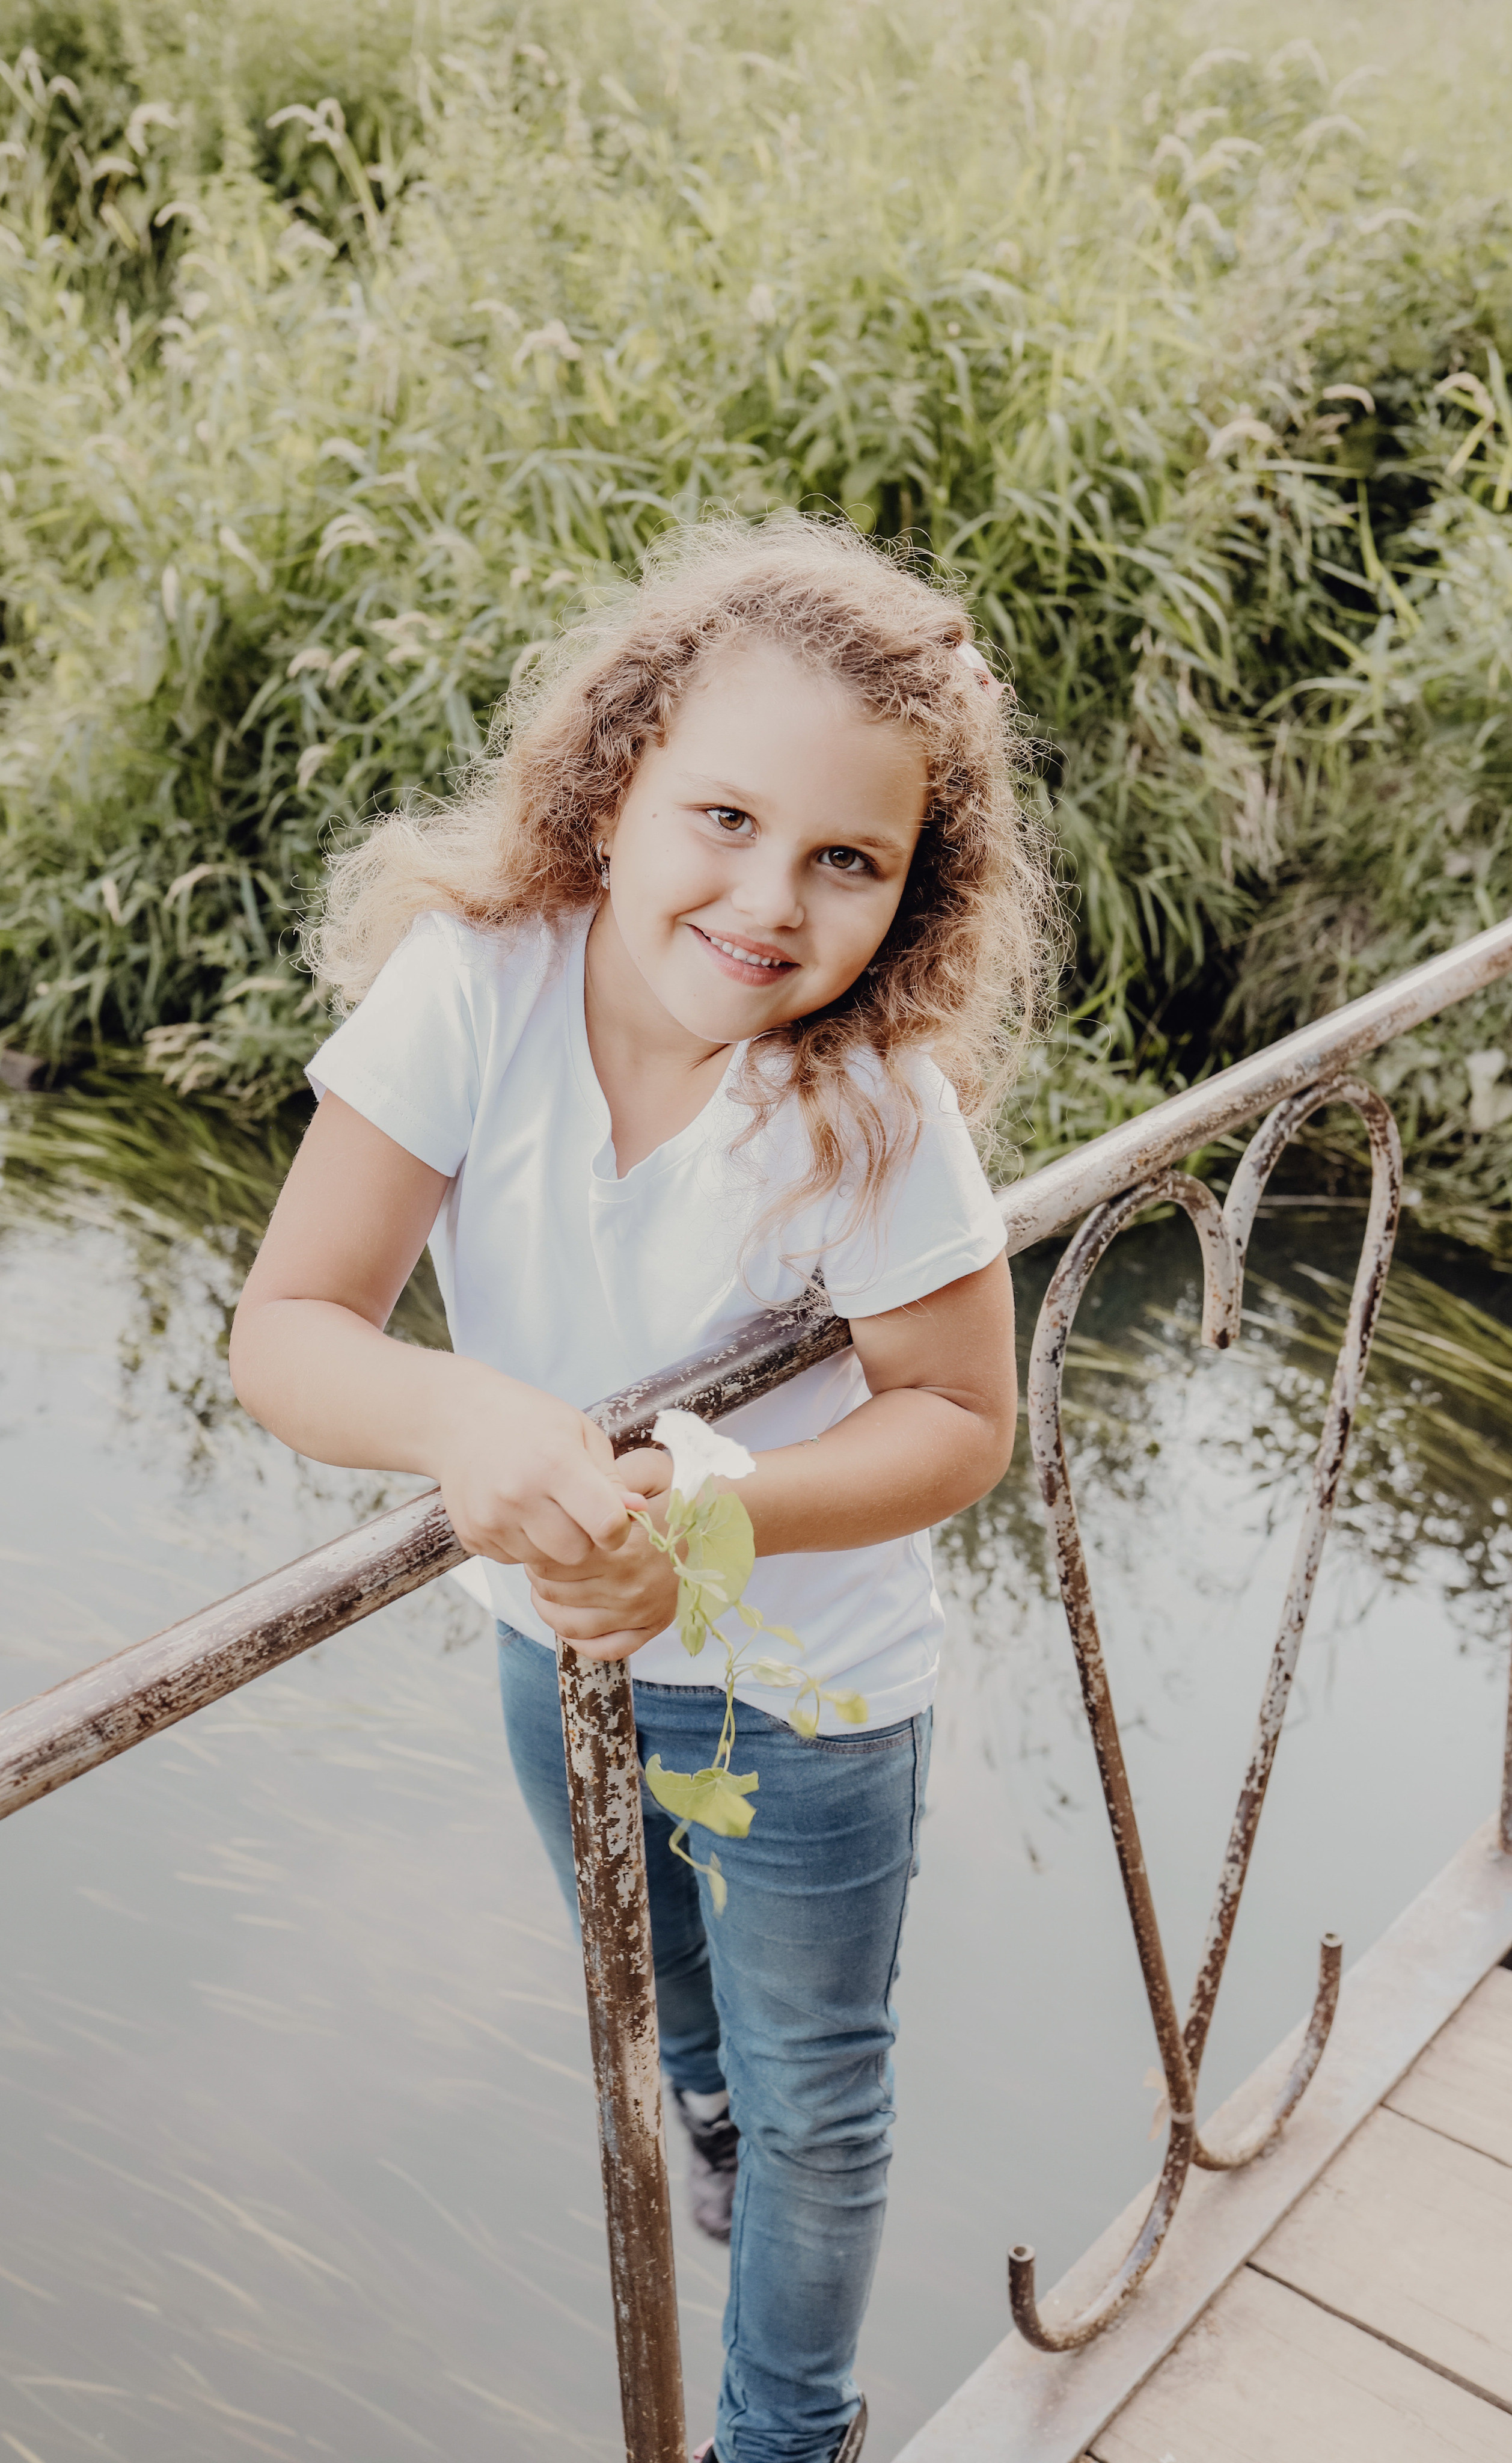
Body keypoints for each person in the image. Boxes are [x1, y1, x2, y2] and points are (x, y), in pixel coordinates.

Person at [229, 517, 1057, 2463]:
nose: (769, 900)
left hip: (815, 1682)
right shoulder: (474, 992)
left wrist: (716, 1524)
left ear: (906, 897)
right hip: (557, 1639)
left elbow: (957, 1416)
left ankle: (788, 2434)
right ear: (612, 792)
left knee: (819, 2093)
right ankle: (704, 2107)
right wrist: (453, 1415)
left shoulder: (864, 1104)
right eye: (723, 818)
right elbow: (289, 1325)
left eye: (846, 861)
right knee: (658, 1985)